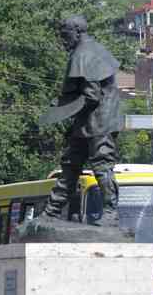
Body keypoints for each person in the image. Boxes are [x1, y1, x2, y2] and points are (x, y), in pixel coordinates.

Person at [41, 15, 122, 225]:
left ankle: (111, 212)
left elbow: (91, 95)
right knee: (70, 165)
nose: (62, 39)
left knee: (102, 165)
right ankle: (51, 212)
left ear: (77, 31)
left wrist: (62, 109)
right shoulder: (94, 49)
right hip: (86, 123)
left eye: (64, 34)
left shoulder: (83, 53)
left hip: (99, 123)